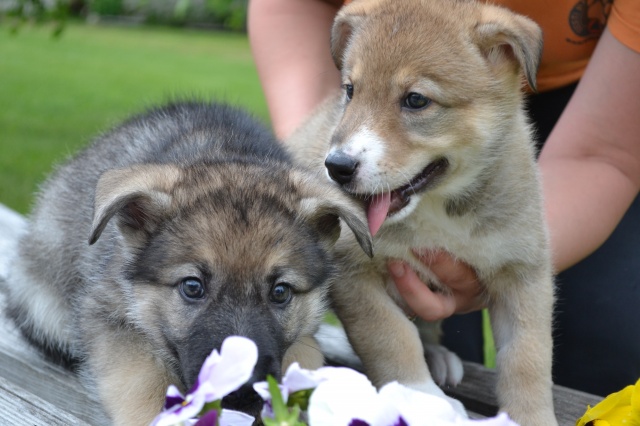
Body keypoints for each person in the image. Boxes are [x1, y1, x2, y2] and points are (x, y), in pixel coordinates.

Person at [248, 0, 640, 397]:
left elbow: (604, 155)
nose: (350, 147)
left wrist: (505, 260)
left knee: (605, 331)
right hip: (400, 68)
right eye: (351, 89)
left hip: (603, 86)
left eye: (415, 99)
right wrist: (297, 160)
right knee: (451, 361)